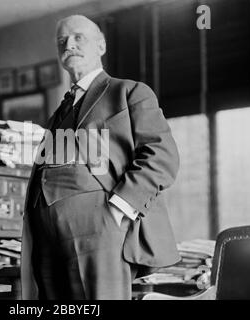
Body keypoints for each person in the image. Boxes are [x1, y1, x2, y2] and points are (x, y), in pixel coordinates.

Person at [21, 15, 180, 300]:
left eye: (78, 37)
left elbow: (161, 155)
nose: (69, 44)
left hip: (99, 230)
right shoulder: (57, 114)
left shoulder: (129, 92)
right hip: (45, 239)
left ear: (101, 45)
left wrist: (118, 210)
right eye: (62, 41)